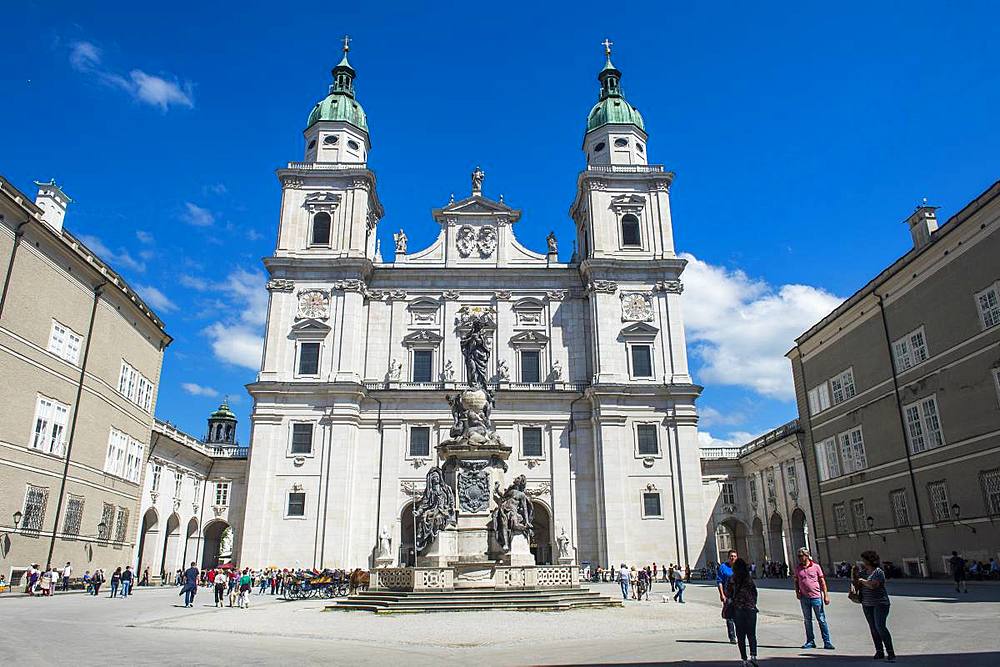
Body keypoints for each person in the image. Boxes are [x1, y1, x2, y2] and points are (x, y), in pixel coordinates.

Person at [853, 550, 895, 662]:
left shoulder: (878, 572)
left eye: (864, 560)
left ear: (869, 560)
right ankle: (879, 651)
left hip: (880, 603)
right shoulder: (863, 572)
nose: (862, 562)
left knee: (880, 627)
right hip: (867, 603)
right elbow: (856, 585)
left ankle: (890, 652)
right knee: (873, 628)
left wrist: (862, 581)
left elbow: (874, 585)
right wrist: (855, 576)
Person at [793, 547, 834, 650]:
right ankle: (810, 641)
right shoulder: (798, 568)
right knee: (807, 620)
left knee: (821, 619)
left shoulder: (816, 567)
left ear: (806, 556)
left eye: (801, 556)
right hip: (804, 598)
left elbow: (822, 582)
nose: (799, 558)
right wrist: (797, 591)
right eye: (798, 556)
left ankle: (827, 642)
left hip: (816, 597)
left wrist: (826, 595)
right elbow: (796, 581)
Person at [726, 558, 759, 667]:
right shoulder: (748, 579)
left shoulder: (732, 579)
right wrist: (753, 603)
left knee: (740, 636)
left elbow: (728, 593)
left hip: (738, 609)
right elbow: (755, 593)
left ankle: (744, 660)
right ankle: (753, 656)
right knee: (752, 634)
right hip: (750, 609)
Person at [717, 549, 738, 644]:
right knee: (730, 617)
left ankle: (740, 634)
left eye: (734, 556)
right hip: (728, 595)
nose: (733, 557)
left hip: (739, 595)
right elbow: (719, 581)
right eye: (731, 556)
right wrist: (722, 594)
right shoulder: (723, 567)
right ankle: (732, 637)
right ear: (728, 557)